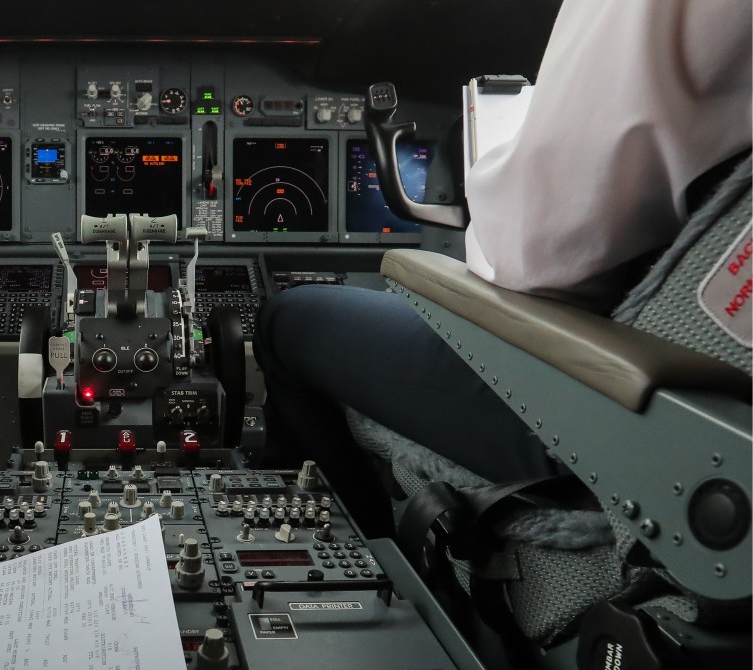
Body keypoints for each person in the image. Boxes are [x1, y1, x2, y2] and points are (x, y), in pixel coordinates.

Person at [255, 0, 752, 525]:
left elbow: (531, 254)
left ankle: (361, 551)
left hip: (594, 415)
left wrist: (486, 197)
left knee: (286, 319)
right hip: (699, 403)